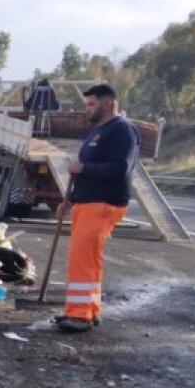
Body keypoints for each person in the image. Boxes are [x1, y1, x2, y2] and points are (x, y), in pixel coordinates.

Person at [58, 84, 140, 333]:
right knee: (87, 260)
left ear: (108, 103)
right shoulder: (98, 132)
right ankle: (89, 311)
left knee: (82, 261)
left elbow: (119, 169)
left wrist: (83, 169)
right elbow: (86, 170)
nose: (87, 110)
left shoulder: (122, 130)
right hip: (87, 203)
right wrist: (70, 199)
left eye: (92, 104)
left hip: (103, 204)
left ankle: (80, 316)